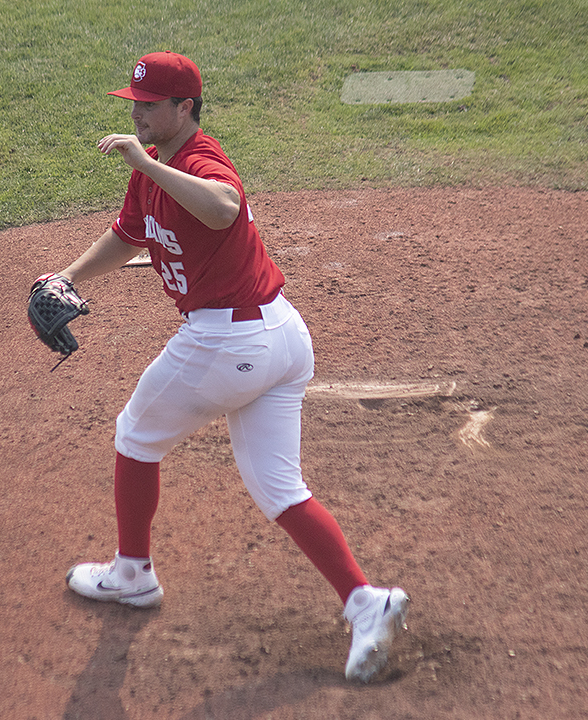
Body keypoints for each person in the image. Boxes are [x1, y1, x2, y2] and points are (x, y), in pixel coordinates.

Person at [50, 51, 408, 683]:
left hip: (230, 341)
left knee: (135, 435)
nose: (137, 115)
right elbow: (130, 236)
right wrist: (68, 277)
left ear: (184, 109)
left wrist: (145, 164)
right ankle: (366, 602)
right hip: (278, 338)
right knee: (280, 489)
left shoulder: (197, 159)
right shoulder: (154, 168)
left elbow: (222, 206)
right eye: (133, 104)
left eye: (150, 105)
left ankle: (131, 574)